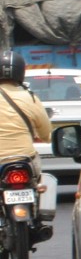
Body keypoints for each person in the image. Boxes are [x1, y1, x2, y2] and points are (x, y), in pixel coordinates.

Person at [0, 50, 53, 184]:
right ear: (21, 73)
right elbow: (46, 134)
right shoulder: (31, 98)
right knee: (37, 187)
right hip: (25, 160)